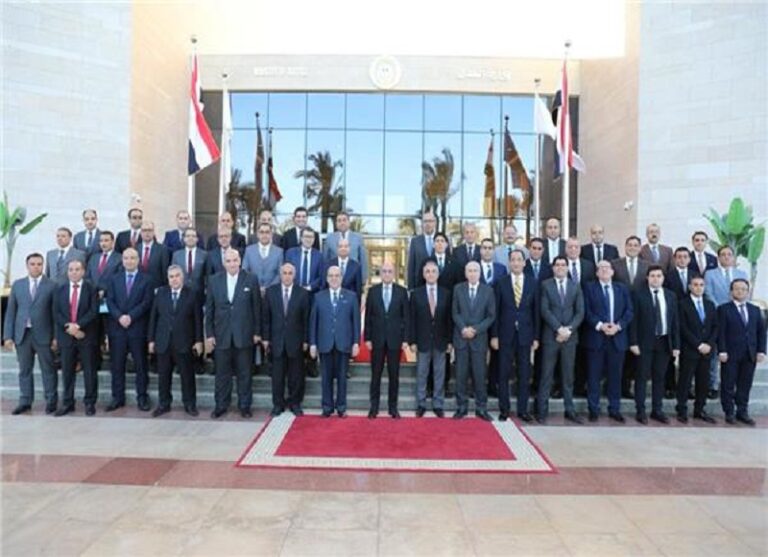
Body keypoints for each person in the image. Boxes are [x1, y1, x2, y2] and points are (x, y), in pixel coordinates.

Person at [205, 249, 261, 418]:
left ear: (240, 261)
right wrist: (209, 334)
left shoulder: (251, 279)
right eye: (228, 261)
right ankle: (221, 405)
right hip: (221, 335)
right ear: (224, 263)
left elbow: (256, 308)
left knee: (245, 373)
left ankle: (244, 406)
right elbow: (210, 309)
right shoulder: (214, 280)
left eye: (235, 260)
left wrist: (257, 332)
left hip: (244, 334)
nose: (232, 264)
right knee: (222, 374)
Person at [3, 253, 58, 414]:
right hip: (22, 334)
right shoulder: (18, 285)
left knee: (48, 369)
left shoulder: (51, 285)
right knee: (24, 370)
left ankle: (51, 401)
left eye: (39, 264)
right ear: (27, 266)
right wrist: (7, 336)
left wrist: (55, 336)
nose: (36, 267)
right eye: (32, 264)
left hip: (44, 334)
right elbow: (11, 312)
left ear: (43, 266)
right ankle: (25, 401)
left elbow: (55, 314)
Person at [147, 265, 203, 417]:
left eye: (177, 276)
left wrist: (199, 340)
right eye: (171, 277)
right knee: (164, 376)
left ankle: (190, 404)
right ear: (167, 278)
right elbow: (154, 317)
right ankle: (164, 404)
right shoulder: (161, 293)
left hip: (184, 341)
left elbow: (198, 319)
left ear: (182, 277)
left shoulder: (192, 294)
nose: (174, 279)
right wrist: (151, 340)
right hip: (163, 341)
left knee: (187, 376)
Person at [628, 265, 680, 424]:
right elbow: (633, 321)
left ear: (663, 278)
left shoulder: (670, 296)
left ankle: (657, 410)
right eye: (652, 276)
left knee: (659, 377)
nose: (656, 279)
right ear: (647, 278)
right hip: (644, 343)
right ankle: (641, 411)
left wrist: (676, 345)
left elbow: (674, 322)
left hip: (664, 342)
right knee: (642, 377)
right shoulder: (638, 295)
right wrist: (633, 342)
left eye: (659, 276)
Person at [491, 250, 539, 422]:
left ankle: (522, 410)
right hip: (505, 335)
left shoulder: (533, 283)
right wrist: (494, 335)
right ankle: (504, 409)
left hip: (525, 335)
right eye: (513, 260)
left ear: (524, 263)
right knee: (503, 373)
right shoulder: (501, 283)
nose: (516, 263)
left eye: (519, 260)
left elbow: (536, 312)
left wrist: (536, 337)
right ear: (509, 263)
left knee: (524, 374)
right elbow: (496, 311)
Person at [583, 261, 634, 422]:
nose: (604, 270)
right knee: (594, 376)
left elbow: (629, 311)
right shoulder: (589, 288)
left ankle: (614, 408)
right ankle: (593, 409)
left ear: (613, 272)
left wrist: (618, 326)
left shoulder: (622, 288)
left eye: (607, 268)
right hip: (596, 338)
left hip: (617, 338)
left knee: (615, 376)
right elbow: (587, 311)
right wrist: (600, 325)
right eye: (601, 268)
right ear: (596, 273)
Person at [105, 248, 154, 412]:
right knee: (117, 365)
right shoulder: (114, 279)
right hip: (117, 328)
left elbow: (146, 302)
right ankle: (117, 398)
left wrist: (131, 317)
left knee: (141, 365)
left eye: (132, 258)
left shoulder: (147, 279)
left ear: (138, 260)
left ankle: (142, 397)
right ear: (122, 260)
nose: (129, 261)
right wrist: (120, 317)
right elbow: (110, 301)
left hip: (137, 328)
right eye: (126, 258)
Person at [537, 255, 585, 424]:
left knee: (568, 376)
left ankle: (569, 410)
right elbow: (545, 310)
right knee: (546, 374)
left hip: (570, 338)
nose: (560, 267)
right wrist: (559, 328)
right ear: (553, 268)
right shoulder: (545, 285)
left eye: (563, 265)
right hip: (551, 336)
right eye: (557, 265)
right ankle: (542, 411)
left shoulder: (575, 286)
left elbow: (580, 312)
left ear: (567, 267)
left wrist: (568, 330)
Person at [309, 266, 360, 417]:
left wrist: (356, 342)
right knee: (326, 378)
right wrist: (313, 343)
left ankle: (341, 408)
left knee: (342, 378)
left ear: (341, 278)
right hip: (325, 343)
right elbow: (313, 322)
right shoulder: (319, 297)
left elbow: (356, 322)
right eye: (331, 276)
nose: (334, 278)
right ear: (326, 278)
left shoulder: (351, 297)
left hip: (343, 343)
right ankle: (327, 407)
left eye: (337, 275)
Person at [262, 263, 310, 417]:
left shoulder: (303, 293)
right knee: (277, 376)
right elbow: (266, 318)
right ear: (280, 275)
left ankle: (295, 403)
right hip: (276, 341)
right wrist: (265, 338)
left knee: (296, 376)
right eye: (285, 273)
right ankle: (278, 404)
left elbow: (306, 320)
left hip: (296, 341)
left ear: (294, 275)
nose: (287, 276)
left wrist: (306, 340)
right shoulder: (271, 292)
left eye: (290, 273)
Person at [53, 260, 100, 416]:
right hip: (66, 336)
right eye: (71, 269)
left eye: (77, 269)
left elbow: (93, 311)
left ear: (83, 271)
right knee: (67, 371)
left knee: (89, 371)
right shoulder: (60, 289)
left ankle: (90, 403)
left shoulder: (91, 289)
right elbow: (56, 313)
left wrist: (78, 326)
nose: (74, 272)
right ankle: (68, 403)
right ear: (67, 272)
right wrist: (70, 328)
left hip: (86, 335)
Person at [717, 279, 766, 426]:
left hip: (749, 353)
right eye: (737, 289)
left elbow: (761, 332)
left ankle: (742, 411)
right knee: (728, 384)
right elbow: (721, 332)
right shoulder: (724, 309)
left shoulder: (755, 310)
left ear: (748, 292)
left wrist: (761, 350)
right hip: (730, 353)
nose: (740, 292)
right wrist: (722, 350)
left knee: (745, 384)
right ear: (731, 291)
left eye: (744, 289)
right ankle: (729, 412)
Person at [365, 261, 409, 419]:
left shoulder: (402, 292)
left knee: (394, 375)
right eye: (384, 271)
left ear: (394, 273)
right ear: (380, 273)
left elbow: (406, 317)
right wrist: (367, 338)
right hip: (376, 340)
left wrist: (405, 339)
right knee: (375, 375)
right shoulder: (373, 291)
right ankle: (374, 407)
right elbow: (368, 316)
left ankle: (393, 408)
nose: (387, 274)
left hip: (395, 340)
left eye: (390, 271)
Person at [452, 261, 496, 421]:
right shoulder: (458, 289)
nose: (472, 273)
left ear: (480, 273)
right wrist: (464, 328)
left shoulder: (488, 291)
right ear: (465, 273)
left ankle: (481, 408)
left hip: (479, 339)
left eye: (475, 271)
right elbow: (455, 312)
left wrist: (475, 330)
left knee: (479, 375)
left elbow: (491, 316)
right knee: (461, 375)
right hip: (462, 338)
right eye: (469, 271)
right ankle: (461, 407)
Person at [704, 245, 748, 399]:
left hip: (737, 319)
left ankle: (733, 385)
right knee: (715, 352)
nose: (726, 257)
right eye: (723, 254)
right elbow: (708, 293)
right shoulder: (710, 274)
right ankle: (713, 384)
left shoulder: (741, 274)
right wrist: (723, 310)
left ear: (733, 257)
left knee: (735, 351)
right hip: (717, 316)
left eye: (729, 254)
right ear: (718, 257)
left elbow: (744, 293)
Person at [409, 261, 452, 418]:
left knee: (439, 374)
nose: (431, 274)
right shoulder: (416, 294)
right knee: (422, 373)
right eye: (427, 271)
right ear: (423, 274)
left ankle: (438, 404)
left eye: (434, 271)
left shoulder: (446, 293)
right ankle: (421, 404)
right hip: (422, 340)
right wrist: (412, 341)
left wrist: (450, 341)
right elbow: (412, 319)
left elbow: (449, 320)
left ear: (438, 274)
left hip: (441, 340)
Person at [676, 275, 718, 423]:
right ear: (689, 287)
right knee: (685, 381)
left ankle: (699, 410)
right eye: (695, 285)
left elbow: (715, 327)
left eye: (701, 285)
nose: (698, 287)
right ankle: (681, 410)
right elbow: (682, 327)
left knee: (703, 382)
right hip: (690, 349)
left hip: (706, 350)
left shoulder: (710, 304)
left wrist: (709, 344)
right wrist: (698, 344)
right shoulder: (683, 304)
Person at [323, 211, 368, 282]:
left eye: (344, 220)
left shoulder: (358, 238)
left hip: (353, 279)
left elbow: (363, 260)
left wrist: (363, 279)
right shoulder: (329, 238)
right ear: (336, 223)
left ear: (349, 222)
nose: (342, 223)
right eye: (339, 221)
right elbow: (325, 260)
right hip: (334, 280)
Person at [242, 222, 283, 294]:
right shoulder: (249, 250)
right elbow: (245, 271)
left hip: (272, 292)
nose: (264, 235)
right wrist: (256, 287)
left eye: (267, 232)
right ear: (257, 234)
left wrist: (269, 288)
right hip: (253, 291)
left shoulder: (279, 251)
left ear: (271, 234)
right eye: (262, 232)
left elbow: (280, 273)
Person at [323, 238, 363, 303]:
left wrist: (357, 305)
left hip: (349, 302)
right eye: (340, 246)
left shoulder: (356, 266)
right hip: (331, 301)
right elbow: (324, 285)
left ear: (349, 248)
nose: (343, 248)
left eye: (346, 246)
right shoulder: (328, 264)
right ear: (337, 248)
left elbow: (358, 289)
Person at [285, 228, 324, 293]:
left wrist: (310, 287)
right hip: (294, 291)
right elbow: (286, 273)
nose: (308, 239)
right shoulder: (290, 253)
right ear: (301, 238)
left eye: (311, 237)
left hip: (312, 292)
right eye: (306, 236)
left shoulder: (319, 256)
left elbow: (321, 276)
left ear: (314, 239)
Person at [406, 210, 439, 289]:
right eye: (425, 221)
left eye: (430, 221)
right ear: (422, 224)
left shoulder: (441, 240)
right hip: (419, 286)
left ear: (435, 223)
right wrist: (411, 288)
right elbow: (411, 267)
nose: (428, 224)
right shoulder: (415, 241)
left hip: (438, 286)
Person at [171, 227, 208, 293]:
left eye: (193, 236)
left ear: (197, 239)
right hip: (182, 291)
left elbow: (207, 274)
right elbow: (173, 273)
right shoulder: (176, 255)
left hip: (199, 292)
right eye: (188, 236)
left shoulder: (204, 255)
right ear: (184, 239)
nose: (190, 238)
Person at [136, 221, 170, 288]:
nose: (147, 233)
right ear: (140, 232)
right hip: (138, 287)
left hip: (156, 287)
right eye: (144, 230)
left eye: (150, 230)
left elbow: (164, 271)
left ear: (154, 232)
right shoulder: (135, 249)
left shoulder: (162, 249)